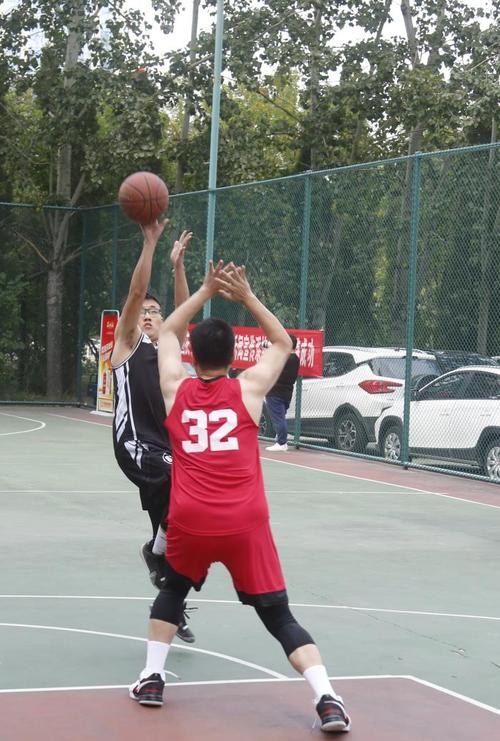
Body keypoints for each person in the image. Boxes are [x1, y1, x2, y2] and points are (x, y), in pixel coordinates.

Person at [129, 261, 351, 733]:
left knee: (172, 590)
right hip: (245, 522)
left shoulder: (175, 389)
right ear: (234, 357)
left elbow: (167, 331)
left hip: (190, 519)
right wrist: (246, 295)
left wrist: (205, 290)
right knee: (279, 615)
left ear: (193, 355)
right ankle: (327, 699)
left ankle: (152, 678)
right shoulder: (249, 389)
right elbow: (283, 343)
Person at [111, 221, 195, 644]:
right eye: (144, 311)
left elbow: (184, 310)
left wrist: (177, 266)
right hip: (134, 442)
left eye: (155, 311)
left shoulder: (168, 350)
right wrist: (149, 245)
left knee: (184, 528)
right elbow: (134, 294)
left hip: (166, 448)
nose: (148, 314)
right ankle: (155, 554)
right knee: (183, 484)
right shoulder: (128, 343)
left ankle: (170, 600)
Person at [265, 333, 299, 452]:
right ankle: (280, 439)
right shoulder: (295, 359)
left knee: (279, 418)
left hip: (275, 392)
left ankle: (281, 442)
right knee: (281, 417)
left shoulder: (284, 358)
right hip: (286, 392)